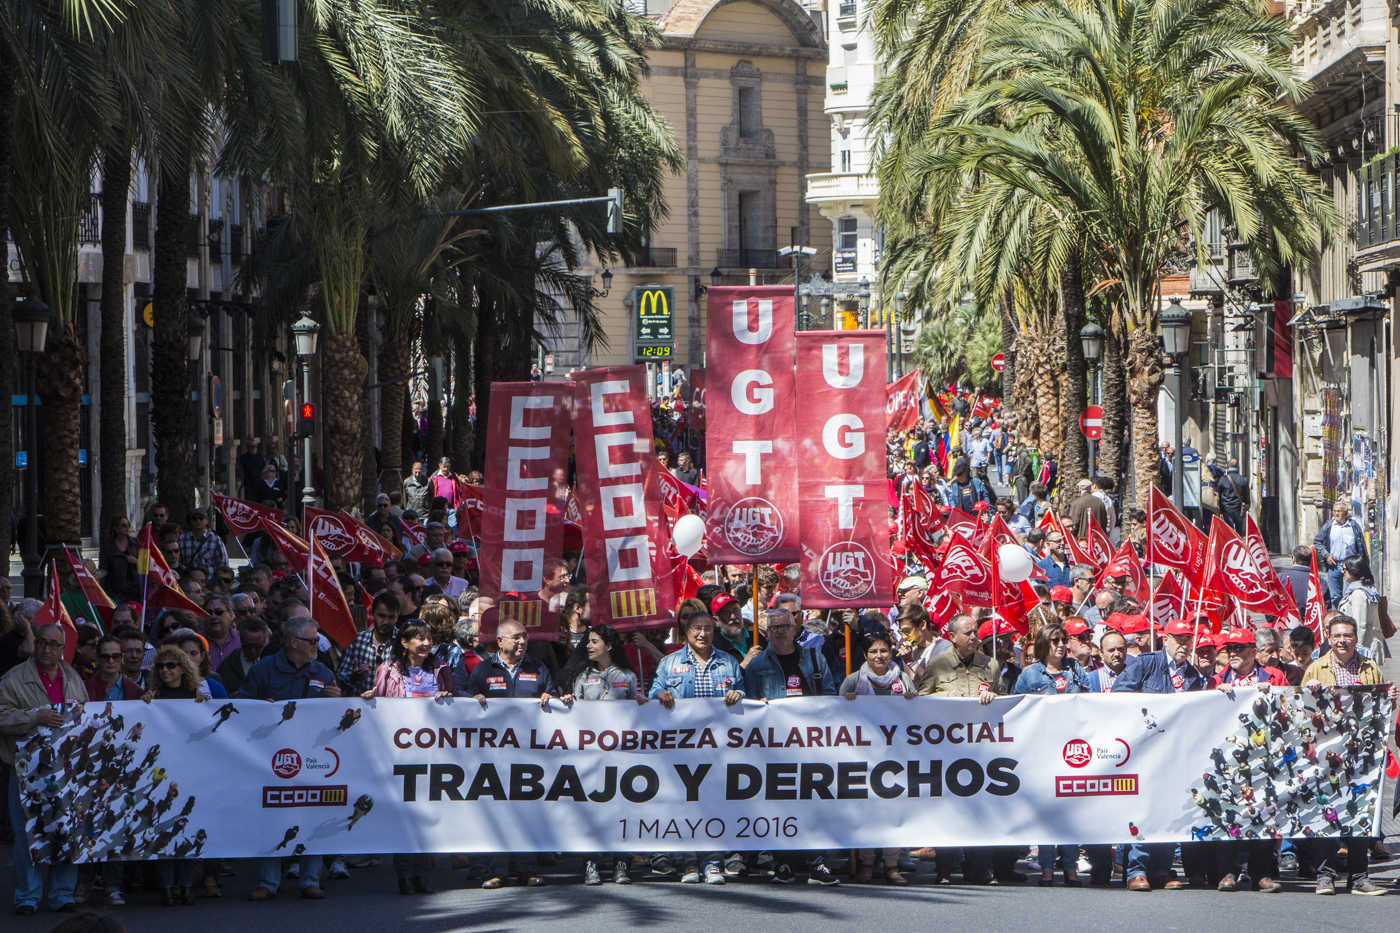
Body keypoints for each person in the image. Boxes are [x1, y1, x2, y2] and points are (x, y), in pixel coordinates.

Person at [236, 617, 341, 900]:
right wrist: (259, 708)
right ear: (294, 642)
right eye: (312, 641)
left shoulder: (323, 671)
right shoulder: (263, 671)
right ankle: (268, 882)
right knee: (274, 816)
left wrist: (338, 700)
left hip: (314, 757)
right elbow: (241, 705)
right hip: (274, 758)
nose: (317, 646)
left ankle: (310, 879)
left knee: (314, 813)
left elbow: (337, 719)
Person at [742, 608, 840, 886]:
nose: (780, 632)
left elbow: (830, 694)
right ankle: (782, 861)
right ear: (767, 632)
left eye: (784, 626)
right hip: (775, 747)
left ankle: (816, 863)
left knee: (812, 803)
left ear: (795, 628)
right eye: (773, 628)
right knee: (779, 804)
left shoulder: (813, 657)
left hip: (811, 745)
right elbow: (750, 703)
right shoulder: (758, 665)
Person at [649, 611, 744, 885]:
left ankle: (713, 862)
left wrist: (739, 695)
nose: (702, 634)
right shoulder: (669, 663)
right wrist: (660, 694)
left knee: (715, 805)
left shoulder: (728, 662)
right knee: (686, 805)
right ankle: (689, 861)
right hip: (682, 749)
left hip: (718, 748)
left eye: (707, 629)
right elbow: (656, 688)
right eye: (696, 629)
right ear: (686, 632)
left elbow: (743, 693)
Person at [1300, 615, 1393, 895]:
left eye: (1348, 635)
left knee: (1360, 812)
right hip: (1328, 755)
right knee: (1326, 812)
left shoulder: (1370, 668)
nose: (1342, 641)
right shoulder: (1316, 668)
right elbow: (1300, 711)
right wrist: (1310, 693)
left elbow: (1379, 708)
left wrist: (1391, 698)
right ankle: (1325, 876)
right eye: (1337, 636)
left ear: (1356, 638)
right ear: (1329, 638)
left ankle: (1359, 877)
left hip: (1362, 754)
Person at [0, 623, 87, 914]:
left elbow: (86, 709)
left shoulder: (72, 676)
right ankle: (27, 896)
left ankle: (62, 895)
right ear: (34, 643)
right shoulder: (14, 678)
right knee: (27, 834)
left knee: (66, 830)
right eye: (43, 643)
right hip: (26, 770)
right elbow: (2, 715)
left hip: (65, 768)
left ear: (63, 649)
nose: (48, 650)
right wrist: (35, 716)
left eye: (54, 645)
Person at [1111, 618, 1202, 890]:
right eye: (1179, 639)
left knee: (1171, 809)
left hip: (1177, 754)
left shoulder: (1193, 676)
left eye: (1188, 639)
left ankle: (1162, 868)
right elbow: (1119, 693)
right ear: (1166, 639)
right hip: (1146, 752)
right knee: (1144, 809)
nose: (1184, 644)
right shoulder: (1146, 663)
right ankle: (1136, 870)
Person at [362, 619, 452, 894]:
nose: (426, 643)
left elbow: (458, 707)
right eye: (419, 638)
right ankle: (403, 874)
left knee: (429, 814)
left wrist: (450, 698)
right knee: (403, 816)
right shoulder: (387, 671)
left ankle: (423, 874)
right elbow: (379, 706)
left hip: (434, 754)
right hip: (399, 756)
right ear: (404, 643)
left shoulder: (441, 670)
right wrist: (369, 700)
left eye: (429, 638)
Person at [558, 625, 644, 885]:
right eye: (587, 642)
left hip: (621, 754)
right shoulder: (581, 677)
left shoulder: (627, 676)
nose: (588, 646)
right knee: (591, 808)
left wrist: (644, 704)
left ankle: (621, 862)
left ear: (609, 646)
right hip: (592, 755)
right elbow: (578, 715)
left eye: (594, 641)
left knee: (621, 808)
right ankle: (591, 862)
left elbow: (637, 712)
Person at [1013, 623, 1088, 884]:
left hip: (1072, 748)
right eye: (1054, 640)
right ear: (1045, 643)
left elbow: (1091, 702)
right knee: (1047, 808)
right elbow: (1017, 710)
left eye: (1063, 639)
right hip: (1042, 748)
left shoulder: (1075, 670)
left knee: (1071, 808)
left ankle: (1070, 866)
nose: (1059, 644)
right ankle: (1046, 866)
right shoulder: (1030, 675)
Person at [839, 632, 915, 885]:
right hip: (864, 757)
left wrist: (912, 701)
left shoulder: (903, 679)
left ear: (891, 652)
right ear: (865, 655)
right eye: (873, 651)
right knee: (868, 812)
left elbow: (918, 711)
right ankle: (867, 863)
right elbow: (835, 714)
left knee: (893, 811)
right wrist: (847, 703)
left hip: (897, 755)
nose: (879, 656)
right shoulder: (853, 681)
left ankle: (892, 866)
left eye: (883, 650)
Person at [143, 646, 208, 905]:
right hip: (162, 769)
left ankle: (187, 884)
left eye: (171, 665)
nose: (166, 670)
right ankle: (167, 886)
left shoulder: (195, 695)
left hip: (191, 768)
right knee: (164, 827)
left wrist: (203, 706)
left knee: (188, 825)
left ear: (183, 668)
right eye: (161, 666)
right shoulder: (152, 696)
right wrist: (144, 704)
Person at [338, 594, 399, 696]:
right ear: (372, 614)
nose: (386, 622)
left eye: (391, 617)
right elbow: (341, 678)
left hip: (392, 705)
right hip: (362, 705)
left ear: (397, 617)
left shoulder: (403, 642)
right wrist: (354, 677)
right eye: (382, 616)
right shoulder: (358, 640)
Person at [1313, 500, 1368, 607]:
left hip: (1350, 566)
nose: (1336, 514)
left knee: (1350, 594)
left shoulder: (1354, 526)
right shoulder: (1328, 526)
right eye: (1334, 511)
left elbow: (1362, 546)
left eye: (1339, 511)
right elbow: (1317, 542)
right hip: (1334, 565)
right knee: (1335, 596)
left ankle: (1348, 619)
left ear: (1346, 513)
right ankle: (1337, 620)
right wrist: (1326, 555)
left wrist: (1364, 564)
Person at [1338, 555, 1381, 660]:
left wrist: (1356, 650)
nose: (1342, 572)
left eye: (1344, 569)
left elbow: (1360, 624)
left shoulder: (1359, 593)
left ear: (1353, 571)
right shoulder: (1365, 589)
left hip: (1363, 649)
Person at [1211, 628, 1288, 687]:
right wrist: (1218, 695)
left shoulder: (1276, 676)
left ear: (1254, 652)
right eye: (1229, 649)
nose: (1232, 653)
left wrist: (1273, 693)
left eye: (1238, 648)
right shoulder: (1216, 681)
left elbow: (1287, 702)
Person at [216, 616, 270, 695]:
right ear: (241, 640)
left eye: (258, 647)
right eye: (248, 646)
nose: (253, 651)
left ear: (265, 642)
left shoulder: (275, 662)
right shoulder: (228, 666)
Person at [85, 635, 141, 702]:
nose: (111, 661)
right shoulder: (85, 688)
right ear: (97, 659)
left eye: (116, 656)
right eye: (105, 657)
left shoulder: (136, 690)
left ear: (122, 657)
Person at [177, 508, 229, 579]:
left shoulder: (215, 539)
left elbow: (223, 564)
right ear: (190, 521)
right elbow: (177, 562)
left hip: (209, 582)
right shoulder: (182, 539)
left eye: (201, 518)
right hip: (188, 581)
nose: (198, 521)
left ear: (207, 520)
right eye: (194, 518)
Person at [99, 515, 140, 603]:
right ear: (115, 528)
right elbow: (103, 569)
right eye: (123, 525)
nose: (126, 528)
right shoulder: (108, 547)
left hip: (135, 591)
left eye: (127, 525)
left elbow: (146, 564)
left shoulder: (135, 543)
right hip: (115, 592)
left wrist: (136, 561)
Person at [1211, 457, 1248, 534]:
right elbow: (1246, 496)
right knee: (1240, 532)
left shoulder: (1222, 480)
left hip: (1226, 509)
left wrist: (1220, 508)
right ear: (1238, 467)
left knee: (1229, 532)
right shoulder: (1243, 480)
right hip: (1239, 509)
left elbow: (1219, 495)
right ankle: (1239, 544)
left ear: (1228, 466)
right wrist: (1246, 505)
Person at [202, 597, 240, 671]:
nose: (213, 616)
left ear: (231, 614)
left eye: (219, 612)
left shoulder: (241, 639)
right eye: (209, 613)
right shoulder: (197, 640)